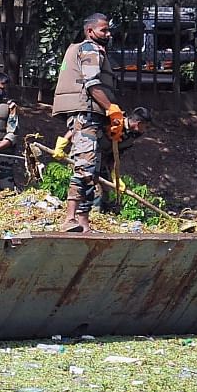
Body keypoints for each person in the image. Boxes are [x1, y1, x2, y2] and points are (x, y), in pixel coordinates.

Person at [50, 12, 125, 232]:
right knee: (84, 167)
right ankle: (70, 219)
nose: (108, 34)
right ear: (90, 31)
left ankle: (83, 223)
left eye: (109, 29)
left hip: (91, 117)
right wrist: (111, 108)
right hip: (86, 115)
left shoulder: (92, 49)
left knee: (90, 169)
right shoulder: (90, 49)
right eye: (104, 30)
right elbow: (92, 84)